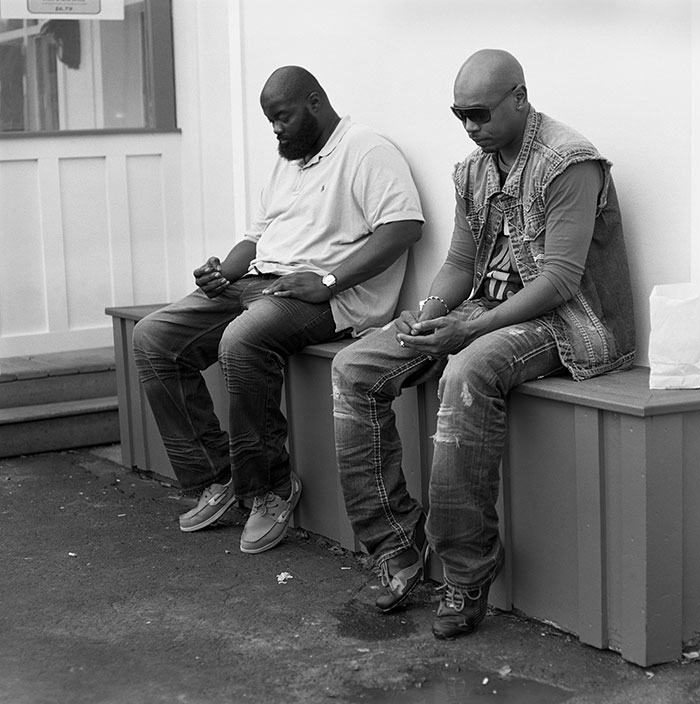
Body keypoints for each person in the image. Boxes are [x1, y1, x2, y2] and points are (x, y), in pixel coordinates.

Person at [332, 49, 635, 639]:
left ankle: (465, 575)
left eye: (479, 113)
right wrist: (428, 316)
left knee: (467, 371)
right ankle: (394, 549)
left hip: (568, 322)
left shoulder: (569, 163)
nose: (469, 127)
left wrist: (467, 331)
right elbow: (459, 262)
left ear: (519, 98)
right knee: (354, 366)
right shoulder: (474, 168)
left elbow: (558, 282)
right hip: (484, 310)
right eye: (458, 114)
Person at [132, 66, 423, 554]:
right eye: (269, 121)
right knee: (153, 337)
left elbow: (404, 228)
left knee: (242, 340)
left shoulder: (367, 150)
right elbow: (256, 236)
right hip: (258, 283)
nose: (276, 130)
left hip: (324, 296)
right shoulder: (289, 161)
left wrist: (328, 280)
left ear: (314, 102)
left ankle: (269, 488)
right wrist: (223, 272)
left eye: (281, 117)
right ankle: (215, 477)